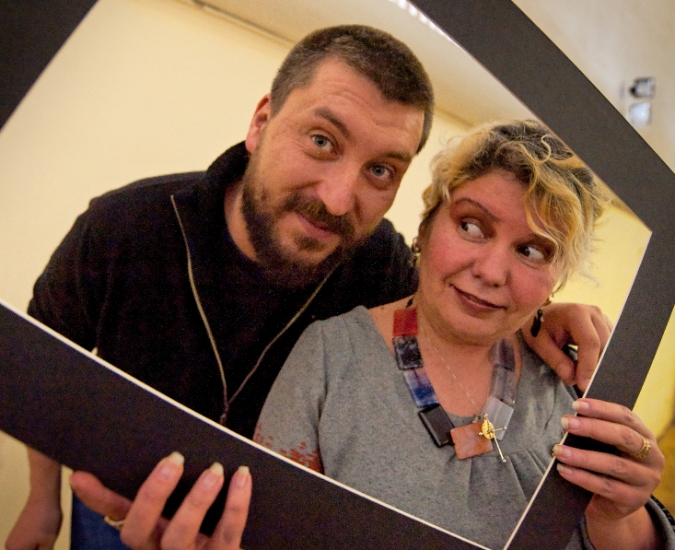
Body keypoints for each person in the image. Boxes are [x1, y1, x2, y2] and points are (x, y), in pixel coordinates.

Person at [7, 26, 611, 550]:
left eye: (380, 170)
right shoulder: (125, 227)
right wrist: (42, 499)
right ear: (261, 123)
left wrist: (538, 314)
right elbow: (47, 360)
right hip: (119, 503)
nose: (338, 200)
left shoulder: (379, 262)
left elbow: (454, 301)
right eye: (322, 141)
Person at [252, 121, 673, 549]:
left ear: (557, 278)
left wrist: (618, 518)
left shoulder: (575, 379)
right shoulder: (330, 358)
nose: (490, 272)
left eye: (531, 250)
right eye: (472, 226)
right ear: (426, 227)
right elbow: (264, 529)